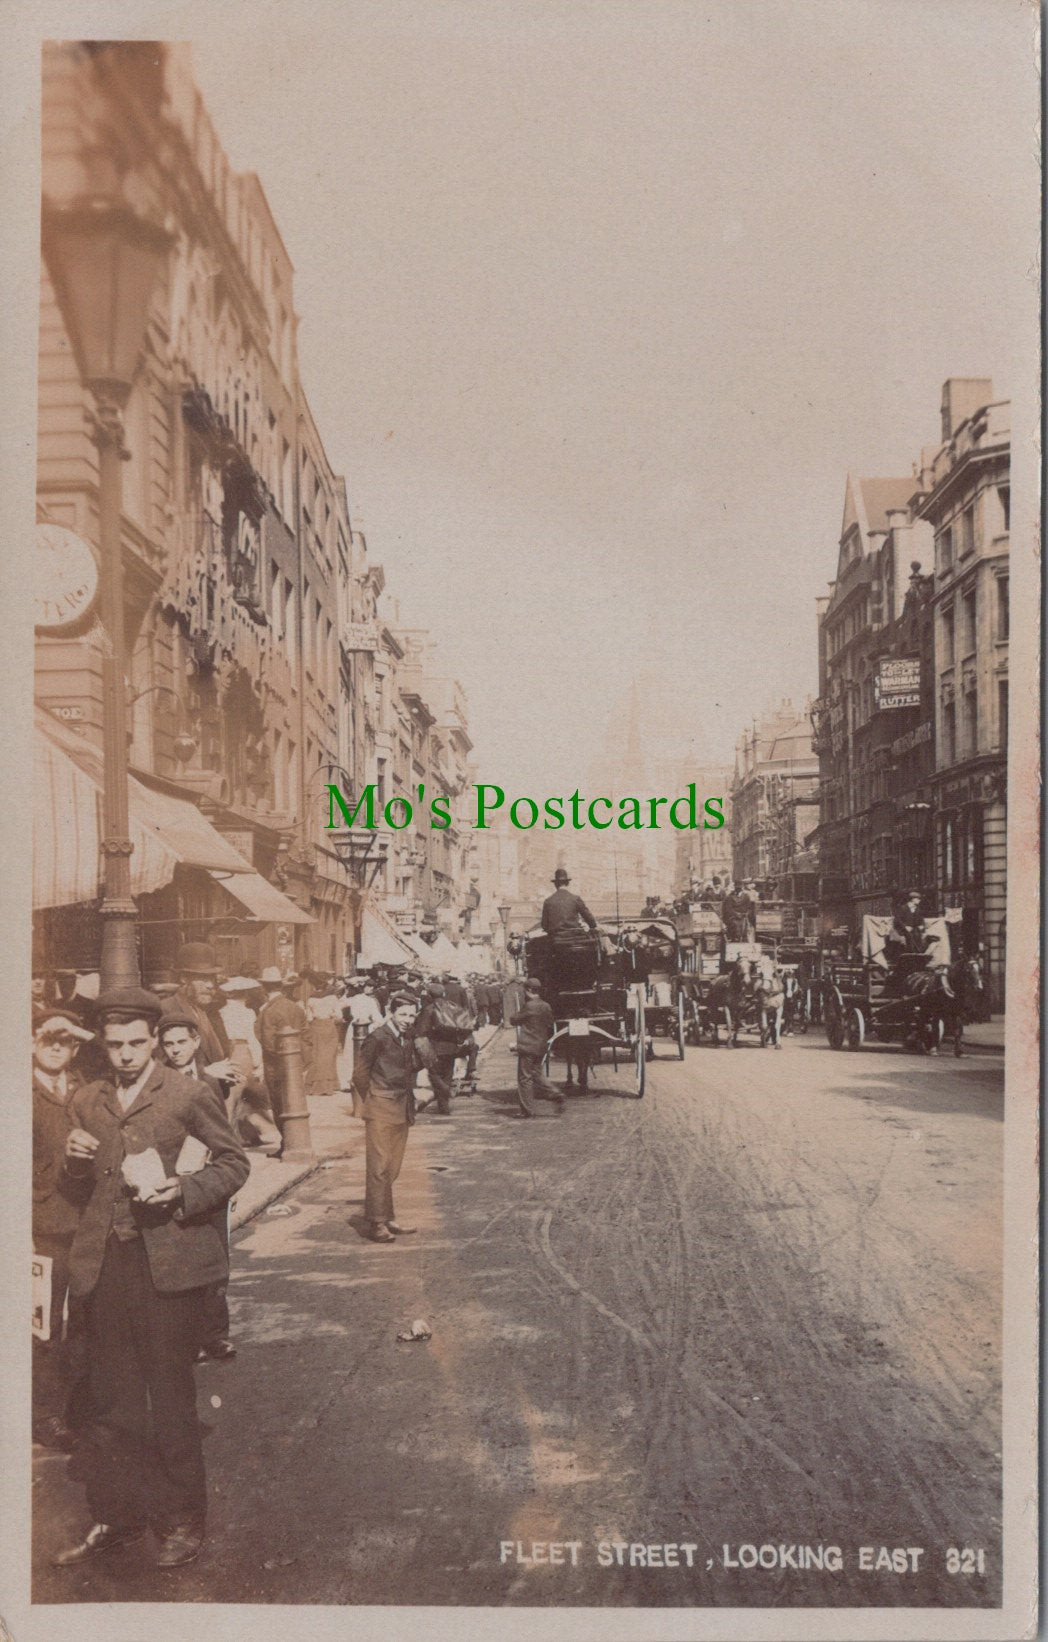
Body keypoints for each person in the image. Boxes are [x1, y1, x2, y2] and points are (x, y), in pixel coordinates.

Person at [53, 987, 248, 1572]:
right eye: (114, 1045)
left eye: (137, 1043)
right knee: (111, 1403)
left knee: (169, 1399)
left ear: (156, 1041)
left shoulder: (187, 1094)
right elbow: (77, 1183)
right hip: (105, 1268)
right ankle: (118, 1516)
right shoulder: (87, 1100)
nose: (126, 1055)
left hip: (167, 1267)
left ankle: (184, 1520)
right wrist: (73, 1156)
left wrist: (184, 1191)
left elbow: (233, 1162)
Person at [156, 1012, 238, 1365]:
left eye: (181, 1043)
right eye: (168, 1044)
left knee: (216, 1259)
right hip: (175, 1181)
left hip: (209, 1179)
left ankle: (216, 1334)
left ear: (195, 1042)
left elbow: (225, 1134)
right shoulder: (157, 1084)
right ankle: (186, 1338)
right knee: (181, 1260)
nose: (175, 1050)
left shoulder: (211, 1081)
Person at [32, 1006, 94, 1449]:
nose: (57, 1048)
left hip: (81, 1218)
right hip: (39, 1222)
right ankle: (47, 1413)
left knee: (85, 1315)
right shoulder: (18, 1089)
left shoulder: (83, 1091)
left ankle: (78, 1404)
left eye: (66, 1041)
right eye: (50, 1038)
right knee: (43, 1320)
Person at [351, 993, 421, 1243]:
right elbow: (359, 1074)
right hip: (381, 1108)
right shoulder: (378, 1037)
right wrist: (374, 1098)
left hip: (402, 1108)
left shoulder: (407, 1036)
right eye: (403, 1014)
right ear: (391, 1012)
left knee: (393, 1166)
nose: (408, 1020)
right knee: (379, 1167)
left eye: (412, 1015)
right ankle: (377, 1223)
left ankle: (387, 1215)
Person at [217, 978, 281, 1150]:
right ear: (243, 995)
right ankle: (239, 1137)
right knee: (248, 1096)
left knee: (231, 1096)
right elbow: (252, 1039)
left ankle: (242, 1135)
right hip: (243, 1051)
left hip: (228, 1051)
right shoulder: (247, 1013)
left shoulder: (221, 1011)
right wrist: (257, 1062)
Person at [256, 967, 307, 1123]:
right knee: (295, 1100)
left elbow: (267, 1042)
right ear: (280, 985)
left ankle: (285, 1139)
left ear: (264, 987)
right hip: (297, 1062)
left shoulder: (268, 1011)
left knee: (278, 1102)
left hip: (275, 1065)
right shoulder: (296, 1008)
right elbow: (307, 1035)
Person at [509, 980, 564, 1117]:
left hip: (527, 1046)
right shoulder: (546, 1005)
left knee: (524, 1078)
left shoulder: (529, 1006)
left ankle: (526, 1111)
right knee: (537, 1074)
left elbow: (514, 1020)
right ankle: (555, 1092)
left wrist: (517, 1012)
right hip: (541, 1045)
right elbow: (550, 1023)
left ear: (528, 990)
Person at [413, 983, 460, 1117]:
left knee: (434, 1074)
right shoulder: (452, 1007)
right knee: (447, 1074)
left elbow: (422, 1030)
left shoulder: (428, 1009)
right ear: (443, 994)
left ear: (429, 995)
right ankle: (444, 1107)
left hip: (435, 1047)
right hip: (451, 1047)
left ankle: (446, 1091)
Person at [305, 978, 342, 1097]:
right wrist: (332, 1016)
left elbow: (309, 1018)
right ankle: (330, 1085)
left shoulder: (311, 999)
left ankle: (315, 1085)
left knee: (317, 1055)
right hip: (329, 1026)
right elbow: (339, 1016)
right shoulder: (332, 998)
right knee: (329, 1055)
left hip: (316, 1026)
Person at [541, 868, 598, 940]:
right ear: (567, 883)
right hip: (575, 937)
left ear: (555, 884)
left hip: (556, 939)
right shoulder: (575, 899)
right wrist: (592, 926)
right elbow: (590, 920)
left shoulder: (548, 901)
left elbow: (544, 925)